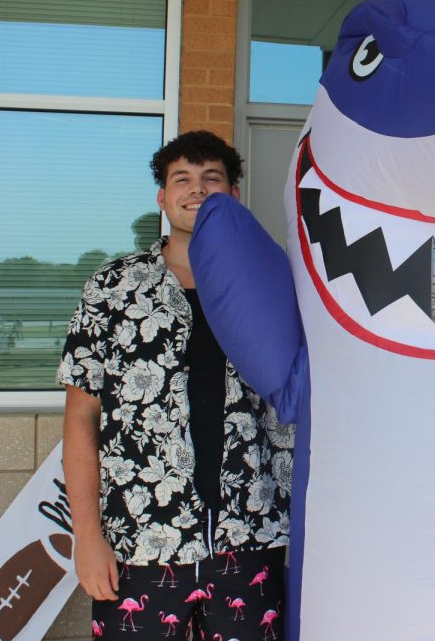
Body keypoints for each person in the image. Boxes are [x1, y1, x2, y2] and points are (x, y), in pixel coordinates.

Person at [59, 130, 291, 639]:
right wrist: (87, 537)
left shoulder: (273, 283)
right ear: (162, 197)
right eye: (181, 179)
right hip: (141, 541)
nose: (197, 189)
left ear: (233, 195)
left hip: (251, 538)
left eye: (212, 178)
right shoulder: (112, 287)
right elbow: (81, 418)